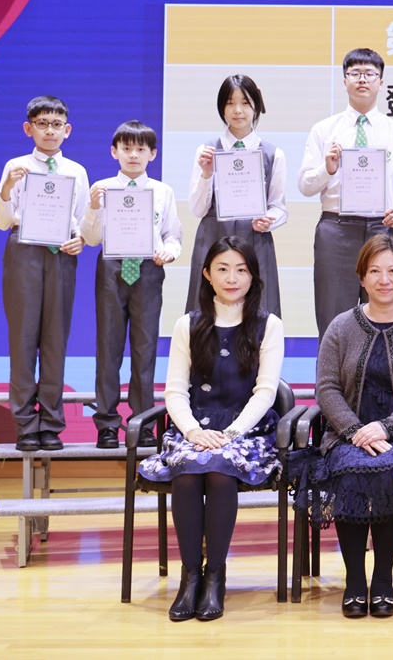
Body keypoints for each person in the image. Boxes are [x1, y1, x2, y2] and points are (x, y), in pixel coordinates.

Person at [289, 235, 393, 618]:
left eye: (392, 271)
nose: (384, 279)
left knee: (389, 469)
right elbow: (326, 387)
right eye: (375, 271)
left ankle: (383, 580)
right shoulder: (341, 326)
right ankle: (355, 580)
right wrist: (354, 429)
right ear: (361, 277)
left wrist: (387, 428)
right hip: (350, 432)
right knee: (349, 468)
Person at [138, 237, 284, 622]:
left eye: (241, 270)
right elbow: (174, 391)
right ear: (206, 274)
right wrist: (191, 431)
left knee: (219, 471)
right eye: (222, 269)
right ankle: (191, 578)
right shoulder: (188, 324)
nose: (232, 278)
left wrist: (231, 434)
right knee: (187, 474)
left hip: (247, 431)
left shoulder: (268, 325)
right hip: (194, 428)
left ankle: (215, 576)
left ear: (253, 276)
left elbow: (266, 392)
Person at [298, 48, 393, 338]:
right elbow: (305, 185)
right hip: (337, 229)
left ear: (381, 82)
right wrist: (327, 169)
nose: (362, 79)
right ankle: (332, 371)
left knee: (385, 316)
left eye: (369, 74)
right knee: (332, 316)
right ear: (344, 81)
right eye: (355, 73)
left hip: (384, 228)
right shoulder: (324, 130)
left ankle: (385, 370)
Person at [0, 95, 89, 452]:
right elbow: (0, 220)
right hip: (24, 252)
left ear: (67, 130)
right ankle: (25, 425)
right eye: (42, 124)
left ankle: (50, 424)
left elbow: (83, 221)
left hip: (61, 255)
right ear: (28, 128)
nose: (50, 130)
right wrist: (6, 189)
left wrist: (81, 239)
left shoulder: (76, 171)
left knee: (55, 341)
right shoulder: (16, 166)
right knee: (23, 339)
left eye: (56, 124)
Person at [81, 120, 183, 449]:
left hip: (148, 269)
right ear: (114, 152)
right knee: (108, 349)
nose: (133, 155)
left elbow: (173, 235)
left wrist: (169, 252)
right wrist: (93, 207)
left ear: (153, 153)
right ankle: (107, 425)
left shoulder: (163, 192)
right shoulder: (102, 188)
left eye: (141, 149)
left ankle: (143, 423)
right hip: (112, 268)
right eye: (126, 148)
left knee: (145, 349)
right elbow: (90, 237)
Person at [186, 74, 287, 317]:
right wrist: (206, 174)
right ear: (221, 107)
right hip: (214, 236)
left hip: (255, 238)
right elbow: (197, 210)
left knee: (257, 311)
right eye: (230, 103)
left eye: (245, 103)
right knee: (208, 310)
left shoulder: (273, 154)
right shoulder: (207, 151)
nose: (238, 110)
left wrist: (269, 220)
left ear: (256, 107)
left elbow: (279, 207)